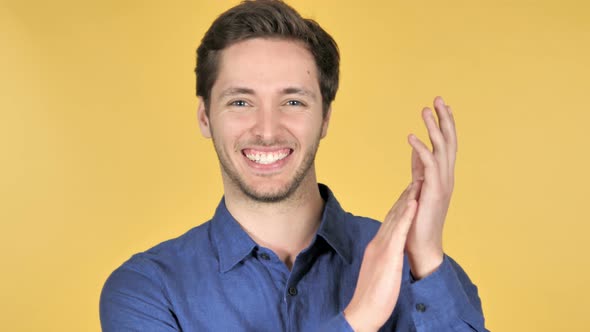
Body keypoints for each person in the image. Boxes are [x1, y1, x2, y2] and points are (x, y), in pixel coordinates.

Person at [99, 1, 488, 331]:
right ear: (204, 117)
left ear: (325, 118)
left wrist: (427, 260)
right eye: (240, 102)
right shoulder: (147, 289)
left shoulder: (422, 271)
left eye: (293, 102)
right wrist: (358, 319)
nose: (267, 130)